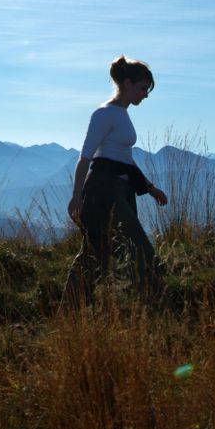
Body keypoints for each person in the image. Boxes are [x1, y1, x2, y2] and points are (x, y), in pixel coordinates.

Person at [62, 56, 169, 308]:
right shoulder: (104, 114)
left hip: (118, 189)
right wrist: (76, 196)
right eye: (143, 88)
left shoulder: (121, 114)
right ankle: (158, 305)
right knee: (138, 248)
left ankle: (70, 308)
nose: (145, 94)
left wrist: (150, 188)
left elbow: (125, 160)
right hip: (103, 189)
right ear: (128, 83)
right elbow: (85, 157)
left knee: (97, 252)